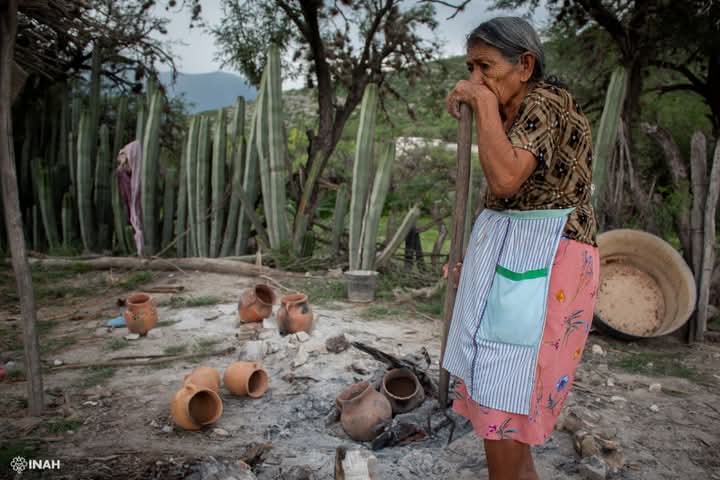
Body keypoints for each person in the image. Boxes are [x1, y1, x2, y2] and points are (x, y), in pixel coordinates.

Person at [442, 16, 600, 480]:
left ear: (525, 65)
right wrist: (478, 264)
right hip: (518, 261)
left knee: (506, 398)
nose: (475, 81)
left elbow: (506, 180)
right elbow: (504, 201)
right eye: (470, 68)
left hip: (549, 264)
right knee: (499, 398)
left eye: (486, 67)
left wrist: (483, 105)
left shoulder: (547, 104)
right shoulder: (516, 111)